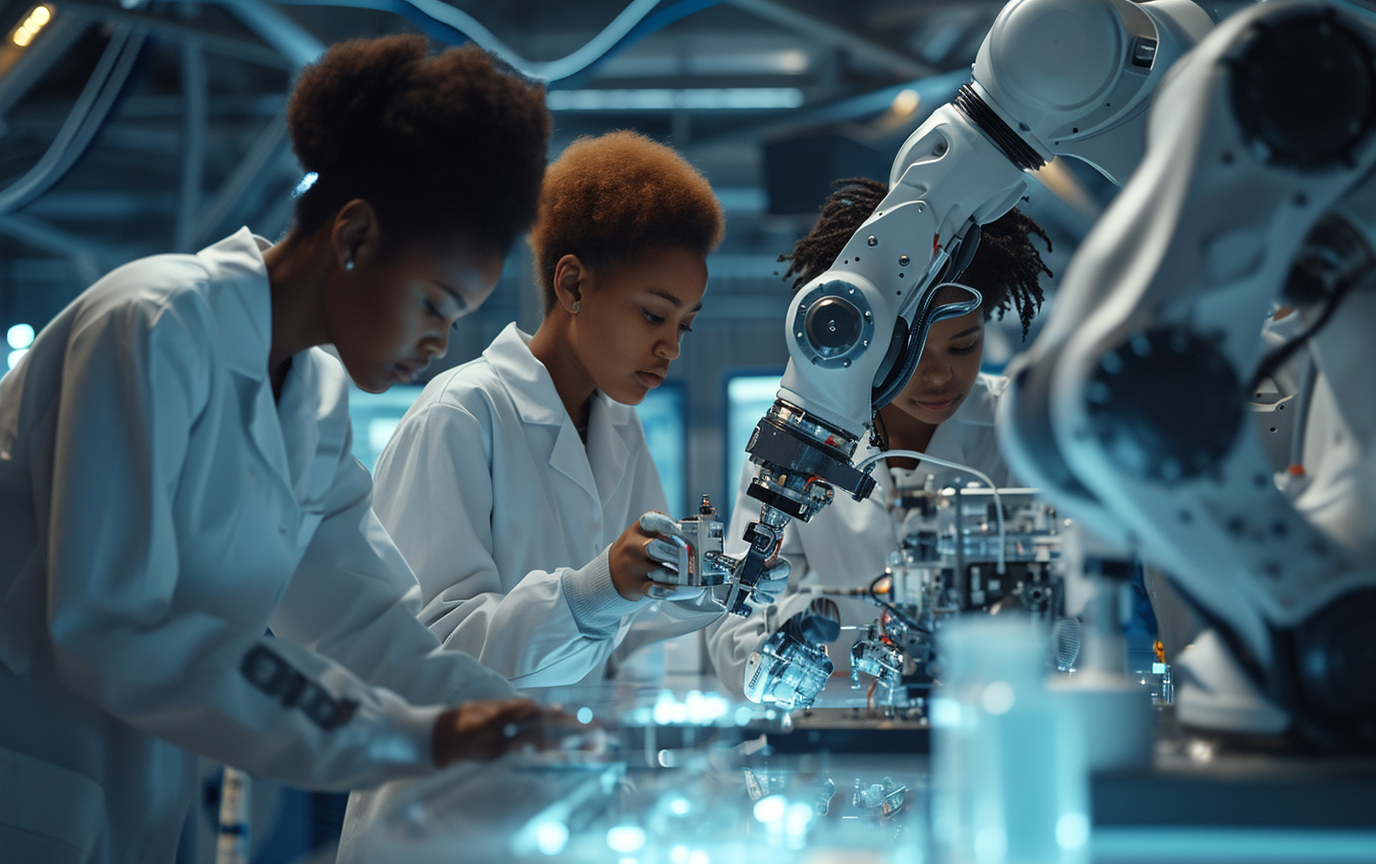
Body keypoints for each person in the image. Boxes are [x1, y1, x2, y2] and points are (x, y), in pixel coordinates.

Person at [0, 36, 563, 863]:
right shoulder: (153, 326)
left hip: (133, 806)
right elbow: (115, 627)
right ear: (357, 236)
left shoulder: (314, 398)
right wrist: (410, 740)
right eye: (436, 304)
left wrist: (513, 728)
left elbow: (362, 619)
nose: (442, 342)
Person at [368, 131, 743, 689]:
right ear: (572, 285)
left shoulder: (619, 427)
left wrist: (716, 588)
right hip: (453, 773)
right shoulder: (461, 414)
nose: (673, 348)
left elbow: (627, 634)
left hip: (569, 765)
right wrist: (593, 592)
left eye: (684, 324)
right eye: (652, 315)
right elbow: (425, 651)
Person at [706, 177, 1054, 693]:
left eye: (963, 347)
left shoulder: (1021, 429)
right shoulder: (802, 437)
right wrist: (793, 658)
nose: (939, 378)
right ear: (864, 338)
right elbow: (731, 627)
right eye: (910, 354)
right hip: (835, 727)